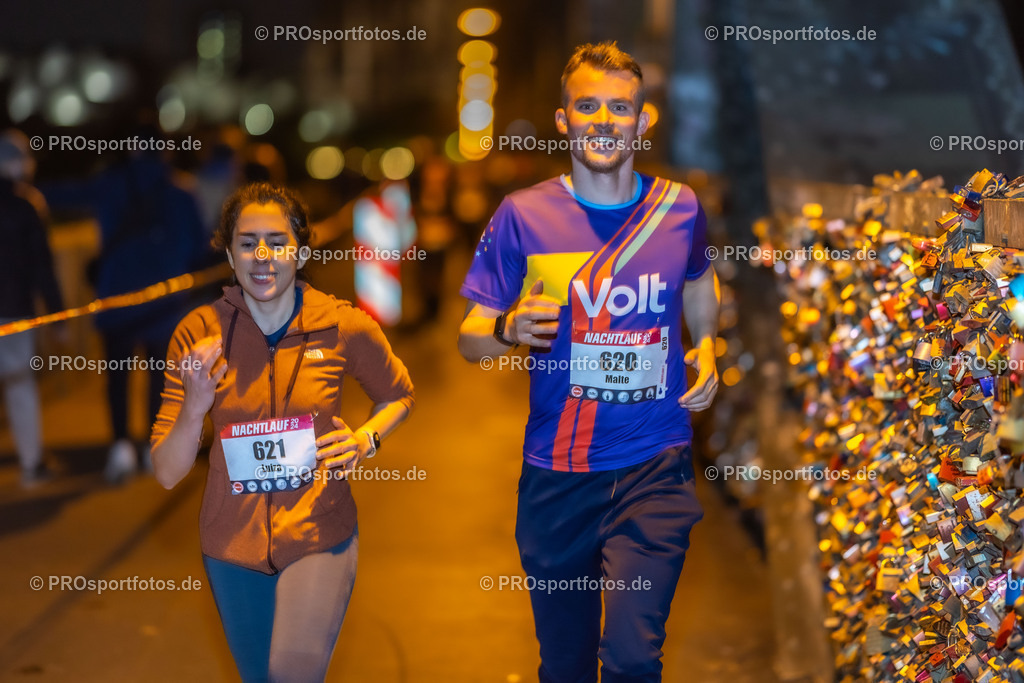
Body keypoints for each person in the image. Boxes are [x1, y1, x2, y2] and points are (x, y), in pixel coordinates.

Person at [457, 42, 719, 682]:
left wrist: (706, 345)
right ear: (564, 119)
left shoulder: (679, 209)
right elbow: (469, 338)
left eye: (620, 108)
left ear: (643, 121)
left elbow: (697, 283)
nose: (604, 120)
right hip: (558, 475)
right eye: (589, 106)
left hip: (653, 466)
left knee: (633, 657)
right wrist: (509, 326)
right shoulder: (523, 215)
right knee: (566, 664)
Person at [150, 182, 413, 682]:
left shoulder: (342, 326)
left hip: (319, 530)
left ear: (302, 251)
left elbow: (399, 394)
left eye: (277, 241)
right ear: (229, 254)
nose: (262, 256)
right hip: (230, 544)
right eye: (248, 243)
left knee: (292, 674)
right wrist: (194, 408)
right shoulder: (198, 334)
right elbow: (166, 472)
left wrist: (366, 438)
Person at [43, 127, 208, 482]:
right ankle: (154, 445)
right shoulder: (181, 193)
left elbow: (59, 194)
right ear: (164, 153)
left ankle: (120, 447)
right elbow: (198, 249)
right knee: (160, 379)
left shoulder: (110, 183)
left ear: (132, 150)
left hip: (115, 298)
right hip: (165, 303)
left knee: (117, 377)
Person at [0, 130, 66, 488]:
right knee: (20, 388)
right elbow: (42, 265)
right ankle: (31, 465)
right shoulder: (27, 204)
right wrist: (57, 315)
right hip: (14, 311)